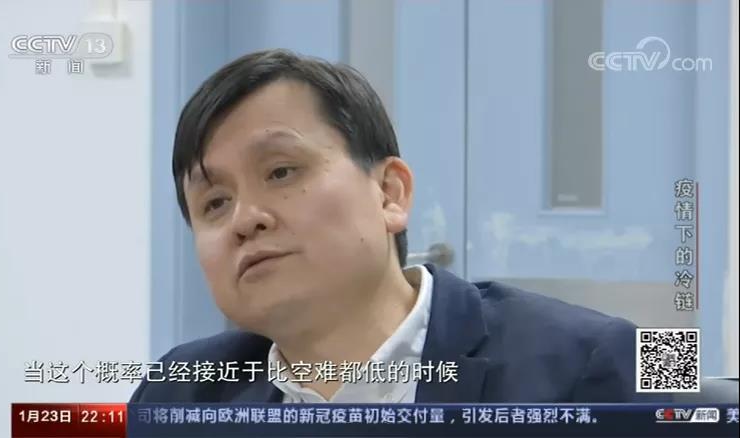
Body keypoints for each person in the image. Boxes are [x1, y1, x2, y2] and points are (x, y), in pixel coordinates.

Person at [131, 49, 665, 403]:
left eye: (281, 172)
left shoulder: (608, 354)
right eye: (215, 203)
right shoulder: (178, 390)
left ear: (390, 193)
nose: (246, 219)